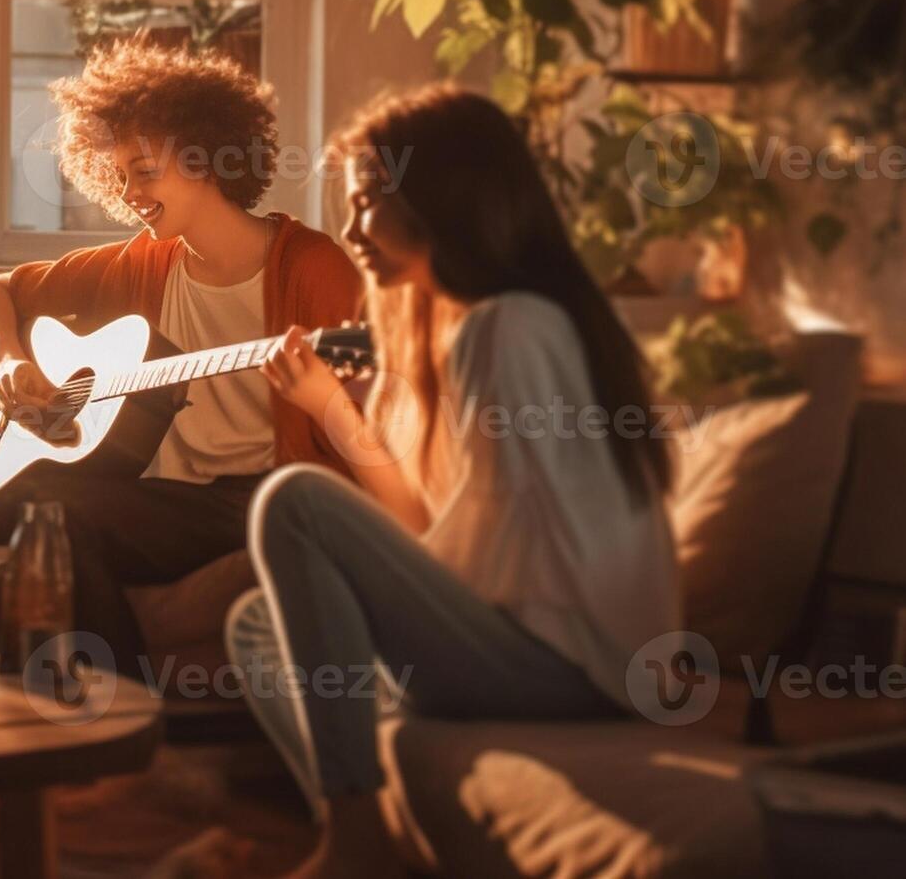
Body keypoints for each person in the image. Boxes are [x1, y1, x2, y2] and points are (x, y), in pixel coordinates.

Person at [232, 86, 678, 878]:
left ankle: (357, 838)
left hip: (572, 670)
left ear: (442, 200)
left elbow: (451, 561)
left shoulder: (510, 328)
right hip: (514, 647)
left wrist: (375, 605)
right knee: (254, 625)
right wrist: (334, 410)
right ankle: (373, 827)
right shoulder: (466, 329)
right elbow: (427, 527)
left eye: (367, 202)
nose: (347, 229)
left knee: (292, 503)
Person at [0, 39, 362, 674]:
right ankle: (103, 716)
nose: (129, 192)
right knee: (42, 509)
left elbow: (367, 424)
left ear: (206, 156)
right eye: (118, 175)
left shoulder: (313, 269)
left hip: (267, 499)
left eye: (145, 170)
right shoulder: (143, 262)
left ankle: (115, 718)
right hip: (165, 500)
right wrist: (9, 360)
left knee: (52, 518)